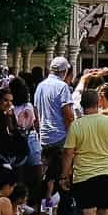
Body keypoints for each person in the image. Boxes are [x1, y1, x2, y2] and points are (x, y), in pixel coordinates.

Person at [35, 57, 77, 192]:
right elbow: (68, 115)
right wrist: (73, 136)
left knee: (48, 173)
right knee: (62, 172)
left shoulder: (40, 86)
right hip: (60, 136)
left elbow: (36, 113)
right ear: (64, 71)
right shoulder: (62, 87)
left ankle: (46, 203)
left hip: (44, 136)